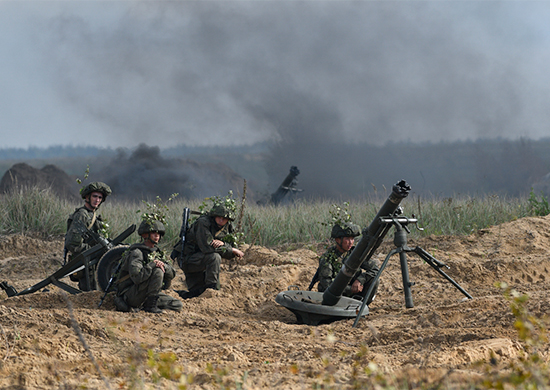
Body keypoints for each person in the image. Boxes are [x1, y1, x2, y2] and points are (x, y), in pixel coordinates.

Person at [171, 204, 244, 299]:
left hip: (202, 262)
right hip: (189, 260)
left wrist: (223, 244)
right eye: (219, 217)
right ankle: (211, 289)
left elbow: (233, 253)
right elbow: (208, 248)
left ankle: (211, 291)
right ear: (214, 216)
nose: (221, 220)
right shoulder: (203, 223)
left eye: (224, 218)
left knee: (197, 294)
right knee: (214, 257)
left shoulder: (227, 227)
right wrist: (231, 249)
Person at [114, 219, 182, 313]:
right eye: (153, 232)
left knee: (177, 304)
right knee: (158, 271)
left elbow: (172, 275)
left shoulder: (157, 253)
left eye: (159, 233)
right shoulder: (137, 253)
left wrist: (163, 266)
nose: (157, 236)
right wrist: (152, 265)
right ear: (144, 235)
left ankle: (149, 303)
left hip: (148, 293)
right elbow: (137, 278)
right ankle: (150, 306)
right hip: (132, 294)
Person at [316, 222, 379, 304]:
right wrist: (350, 289)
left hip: (354, 294)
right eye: (347, 239)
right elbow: (327, 285)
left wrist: (360, 280)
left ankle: (362, 307)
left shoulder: (355, 254)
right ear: (337, 240)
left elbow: (375, 269)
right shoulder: (327, 258)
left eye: (352, 239)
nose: (350, 242)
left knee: (375, 280)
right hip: (335, 297)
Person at [65, 181, 112, 291]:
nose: (97, 200)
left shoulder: (93, 215)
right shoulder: (82, 215)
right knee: (89, 294)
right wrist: (95, 250)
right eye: (95, 196)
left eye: (100, 197)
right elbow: (72, 244)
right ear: (87, 197)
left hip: (94, 263)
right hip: (86, 264)